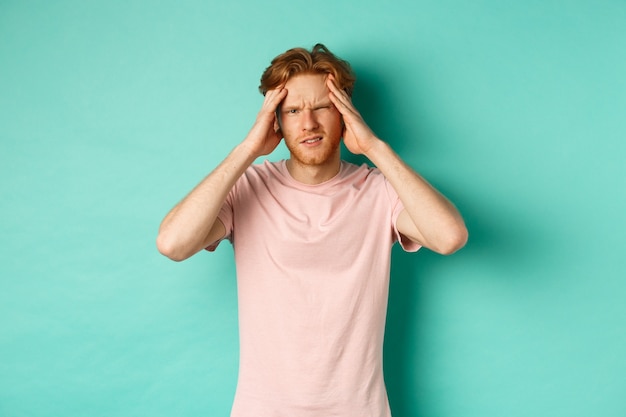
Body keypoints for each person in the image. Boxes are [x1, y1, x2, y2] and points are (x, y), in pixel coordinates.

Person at [157, 44, 468, 417]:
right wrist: (248, 149)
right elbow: (172, 243)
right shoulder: (247, 187)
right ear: (276, 121)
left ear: (344, 114)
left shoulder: (379, 191)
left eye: (322, 107)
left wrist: (372, 146)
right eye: (292, 111)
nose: (308, 123)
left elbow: (450, 237)